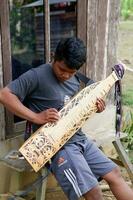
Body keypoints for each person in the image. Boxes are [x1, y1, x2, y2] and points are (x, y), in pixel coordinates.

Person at [0, 37, 133, 200]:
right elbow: (5, 95)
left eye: (72, 72)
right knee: (94, 192)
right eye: (62, 69)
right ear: (55, 56)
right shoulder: (36, 75)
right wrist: (35, 117)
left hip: (79, 139)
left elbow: (72, 110)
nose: (66, 75)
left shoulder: (76, 79)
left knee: (115, 174)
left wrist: (95, 109)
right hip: (58, 147)